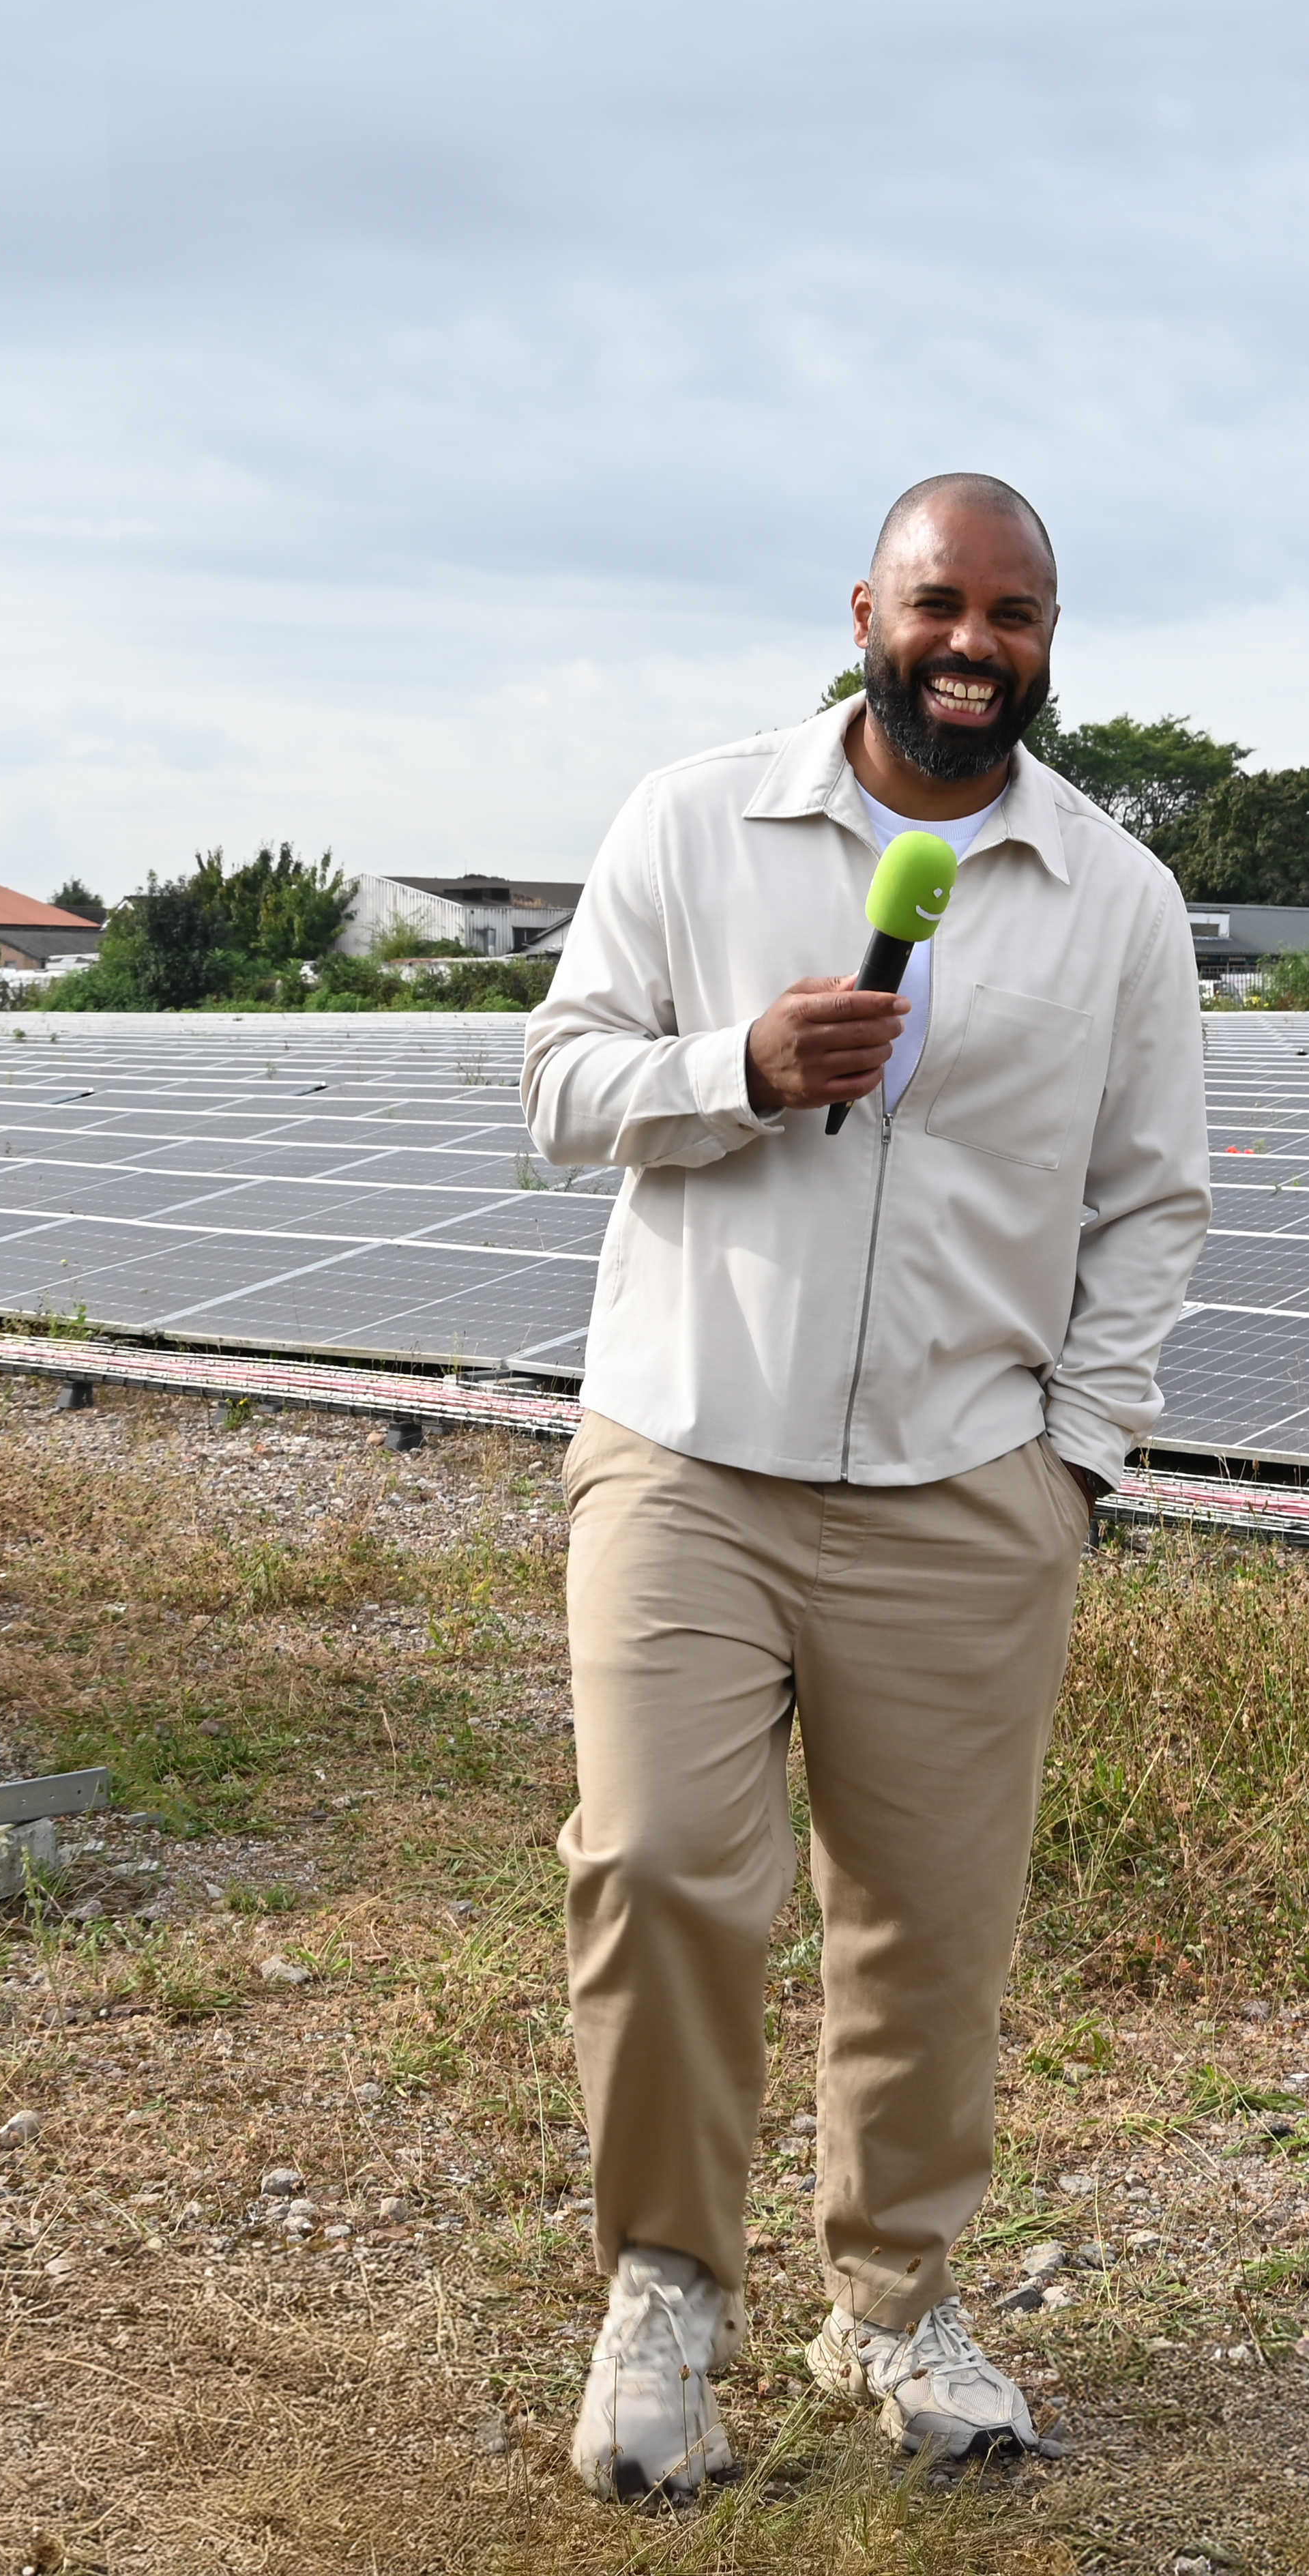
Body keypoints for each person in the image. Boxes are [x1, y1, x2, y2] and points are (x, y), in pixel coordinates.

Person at [520, 473, 1209, 2501]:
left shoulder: (1117, 898)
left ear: (1049, 637)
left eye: (1013, 612)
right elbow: (556, 1085)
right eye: (939, 604)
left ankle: (894, 2304)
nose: (972, 644)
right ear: (865, 611)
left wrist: (1076, 1458)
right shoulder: (693, 821)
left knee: (930, 1925)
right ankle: (665, 2294)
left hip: (964, 1486)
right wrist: (735, 1065)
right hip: (688, 1453)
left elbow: (1151, 1200)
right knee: (655, 1866)